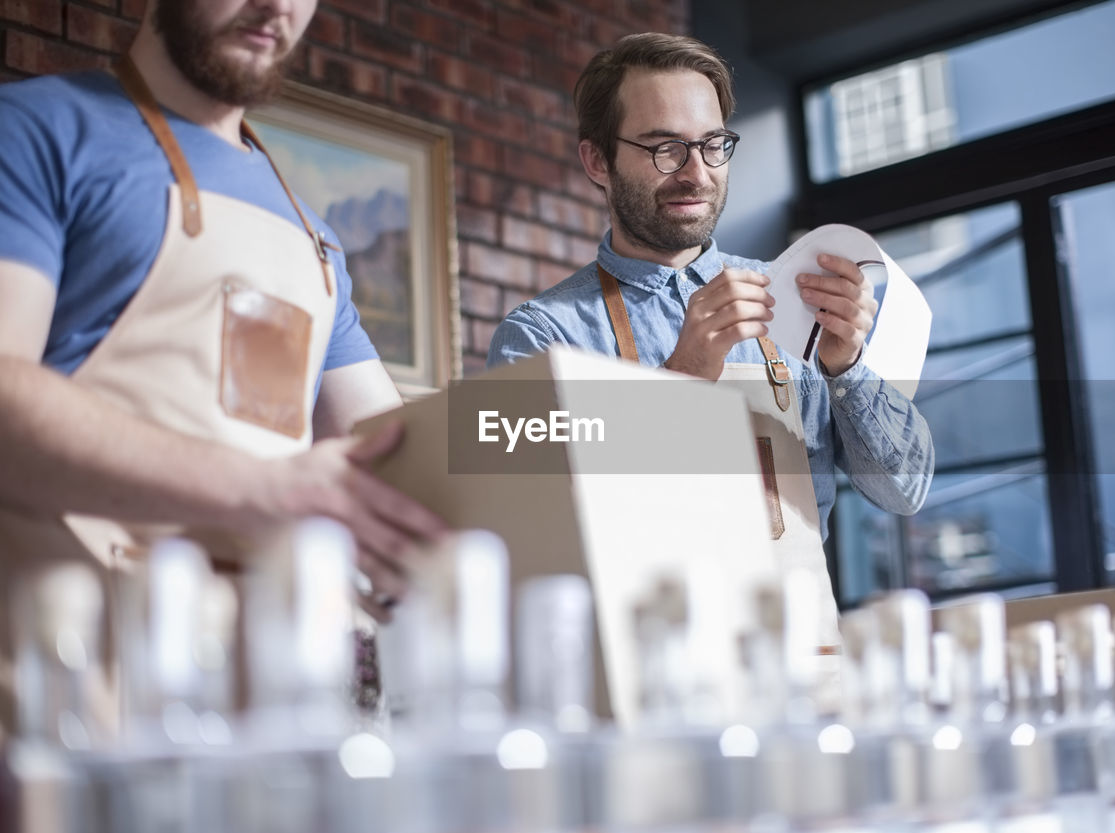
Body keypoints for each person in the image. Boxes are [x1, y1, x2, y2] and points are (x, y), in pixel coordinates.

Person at [0, 0, 439, 729]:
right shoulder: (36, 131)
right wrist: (260, 488)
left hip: (265, 708)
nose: (278, 6)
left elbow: (397, 452)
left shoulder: (315, 240)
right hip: (70, 690)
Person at [488, 34, 934, 663]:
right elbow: (524, 537)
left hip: (807, 677)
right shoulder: (541, 336)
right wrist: (682, 381)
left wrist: (847, 366)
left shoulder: (796, 295)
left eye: (712, 145)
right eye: (664, 148)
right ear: (597, 162)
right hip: (649, 687)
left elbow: (904, 491)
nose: (696, 172)